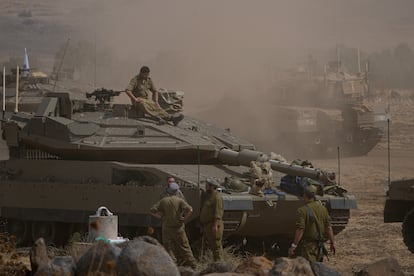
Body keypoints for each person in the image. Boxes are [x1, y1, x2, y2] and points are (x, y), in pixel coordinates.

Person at [150, 182, 197, 268]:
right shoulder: (179, 200)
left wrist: (160, 217)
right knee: (185, 248)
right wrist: (184, 218)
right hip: (178, 228)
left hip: (167, 229)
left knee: (168, 248)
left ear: (169, 191)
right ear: (176, 191)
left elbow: (152, 210)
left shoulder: (164, 200)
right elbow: (190, 210)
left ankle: (173, 265)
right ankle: (193, 265)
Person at [288, 185, 336, 263]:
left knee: (310, 270)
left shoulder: (302, 210)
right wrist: (332, 242)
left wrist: (293, 246)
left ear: (304, 195)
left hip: (308, 248)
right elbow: (328, 227)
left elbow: (300, 229)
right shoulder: (323, 209)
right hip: (319, 246)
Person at [200, 178, 224, 261]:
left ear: (212, 187)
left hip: (213, 225)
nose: (205, 186)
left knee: (216, 247)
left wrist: (215, 226)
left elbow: (218, 213)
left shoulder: (217, 198)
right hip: (207, 225)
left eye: (207, 185)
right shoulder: (209, 195)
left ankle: (220, 265)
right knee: (212, 246)